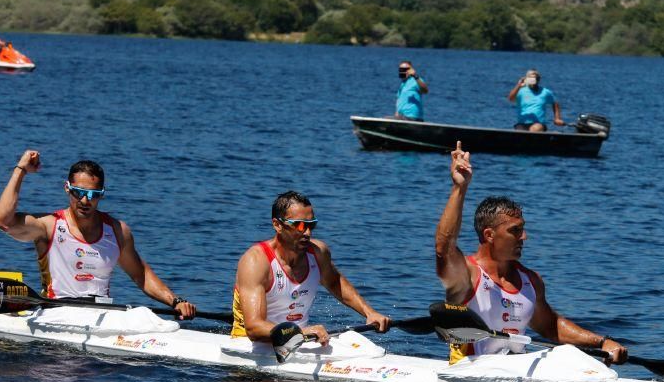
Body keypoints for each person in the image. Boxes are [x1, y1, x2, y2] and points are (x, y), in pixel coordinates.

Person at [435, 142, 627, 364]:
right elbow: (444, 248)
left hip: (516, 374)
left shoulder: (531, 281)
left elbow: (551, 326)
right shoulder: (466, 274)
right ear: (489, 235)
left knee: (572, 358)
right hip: (469, 375)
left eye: (522, 228)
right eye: (515, 231)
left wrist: (602, 342)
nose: (524, 236)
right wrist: (459, 188)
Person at [0, 150, 197, 317]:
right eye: (79, 192)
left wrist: (176, 301)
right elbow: (3, 221)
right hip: (56, 314)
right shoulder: (48, 226)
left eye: (93, 195)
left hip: (102, 315)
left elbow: (141, 275)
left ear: (102, 194)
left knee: (146, 317)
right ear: (67, 189)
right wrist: (21, 170)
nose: (85, 200)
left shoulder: (118, 231)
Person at [231, 191, 391, 346]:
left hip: (299, 340)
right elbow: (254, 328)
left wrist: (370, 313)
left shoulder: (318, 253)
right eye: (300, 226)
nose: (308, 233)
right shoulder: (256, 262)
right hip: (251, 345)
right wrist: (302, 332)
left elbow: (336, 283)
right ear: (277, 225)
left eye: (312, 225)